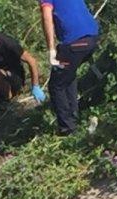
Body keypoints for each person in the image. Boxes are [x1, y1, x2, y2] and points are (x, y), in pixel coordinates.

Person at [38, 0, 100, 134]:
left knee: (56, 85)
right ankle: (74, 118)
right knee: (68, 76)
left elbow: (46, 16)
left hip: (75, 43)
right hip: (92, 37)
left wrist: (51, 50)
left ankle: (67, 129)